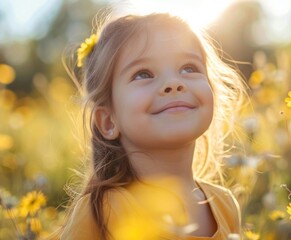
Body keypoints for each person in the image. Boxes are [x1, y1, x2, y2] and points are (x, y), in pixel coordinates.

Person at [60, 10, 248, 240]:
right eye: (143, 74)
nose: (173, 83)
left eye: (189, 68)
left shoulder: (226, 204)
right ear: (108, 121)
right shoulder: (103, 210)